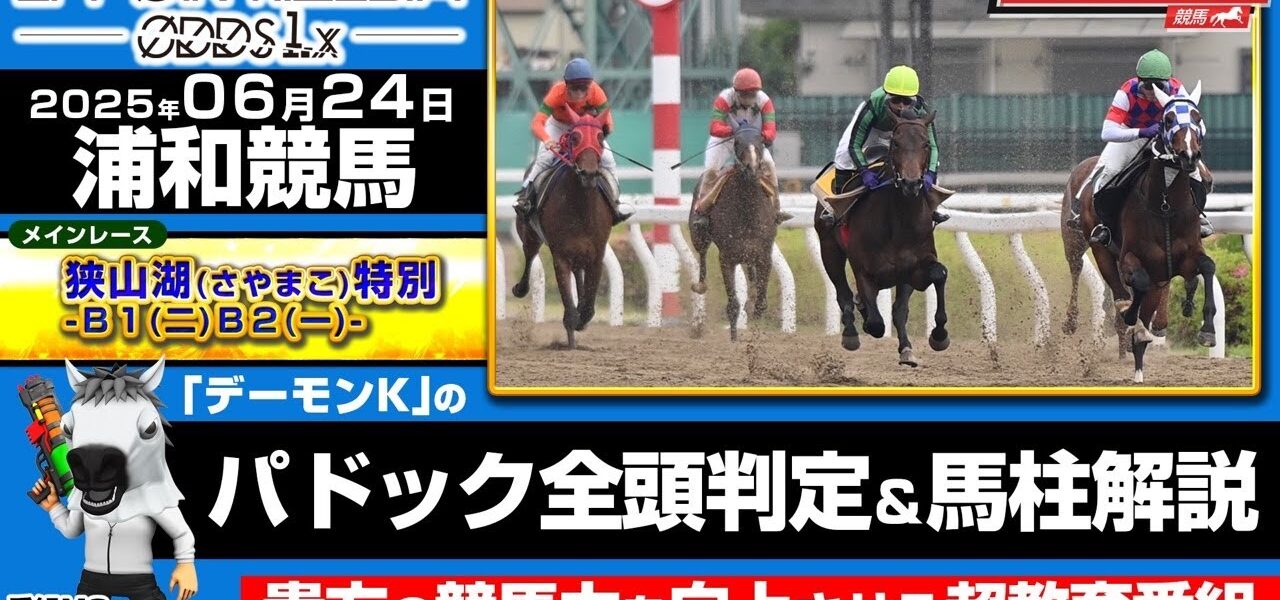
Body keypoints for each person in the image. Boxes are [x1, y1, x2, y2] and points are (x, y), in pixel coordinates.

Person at [1067, 48, 1213, 245]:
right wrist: (1142, 132)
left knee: (1200, 175)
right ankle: (1097, 220)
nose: (1152, 92)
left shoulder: (1178, 90)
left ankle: (1198, 217)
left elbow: (1198, 124)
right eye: (1147, 86)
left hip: (1164, 137)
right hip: (1131, 134)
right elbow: (1107, 132)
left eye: (1159, 86)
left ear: (1168, 82)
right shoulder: (1126, 92)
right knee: (1110, 169)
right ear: (1139, 81)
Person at [822, 64, 948, 226]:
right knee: (843, 154)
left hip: (904, 131)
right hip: (874, 128)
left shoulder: (922, 112)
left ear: (914, 99)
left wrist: (931, 174)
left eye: (907, 101)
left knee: (929, 159)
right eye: (895, 100)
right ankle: (837, 208)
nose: (901, 106)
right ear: (887, 96)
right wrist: (864, 171)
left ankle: (932, 207)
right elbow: (855, 145)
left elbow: (933, 147)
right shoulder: (873, 107)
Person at [513, 57, 634, 225]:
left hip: (585, 128)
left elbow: (608, 120)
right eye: (574, 88)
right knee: (544, 159)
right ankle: (526, 197)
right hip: (558, 126)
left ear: (590, 85)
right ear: (566, 84)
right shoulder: (557, 92)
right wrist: (547, 140)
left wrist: (601, 134)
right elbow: (537, 123)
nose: (579, 93)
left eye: (584, 88)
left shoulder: (596, 91)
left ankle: (616, 203)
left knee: (608, 159)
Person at [690, 67, 788, 233]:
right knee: (711, 170)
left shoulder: (765, 101)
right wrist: (734, 131)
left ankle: (776, 209)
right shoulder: (724, 98)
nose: (749, 99)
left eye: (752, 94)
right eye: (744, 94)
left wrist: (756, 135)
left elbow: (771, 132)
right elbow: (714, 127)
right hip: (726, 139)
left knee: (769, 165)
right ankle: (701, 212)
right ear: (736, 92)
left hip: (752, 141)